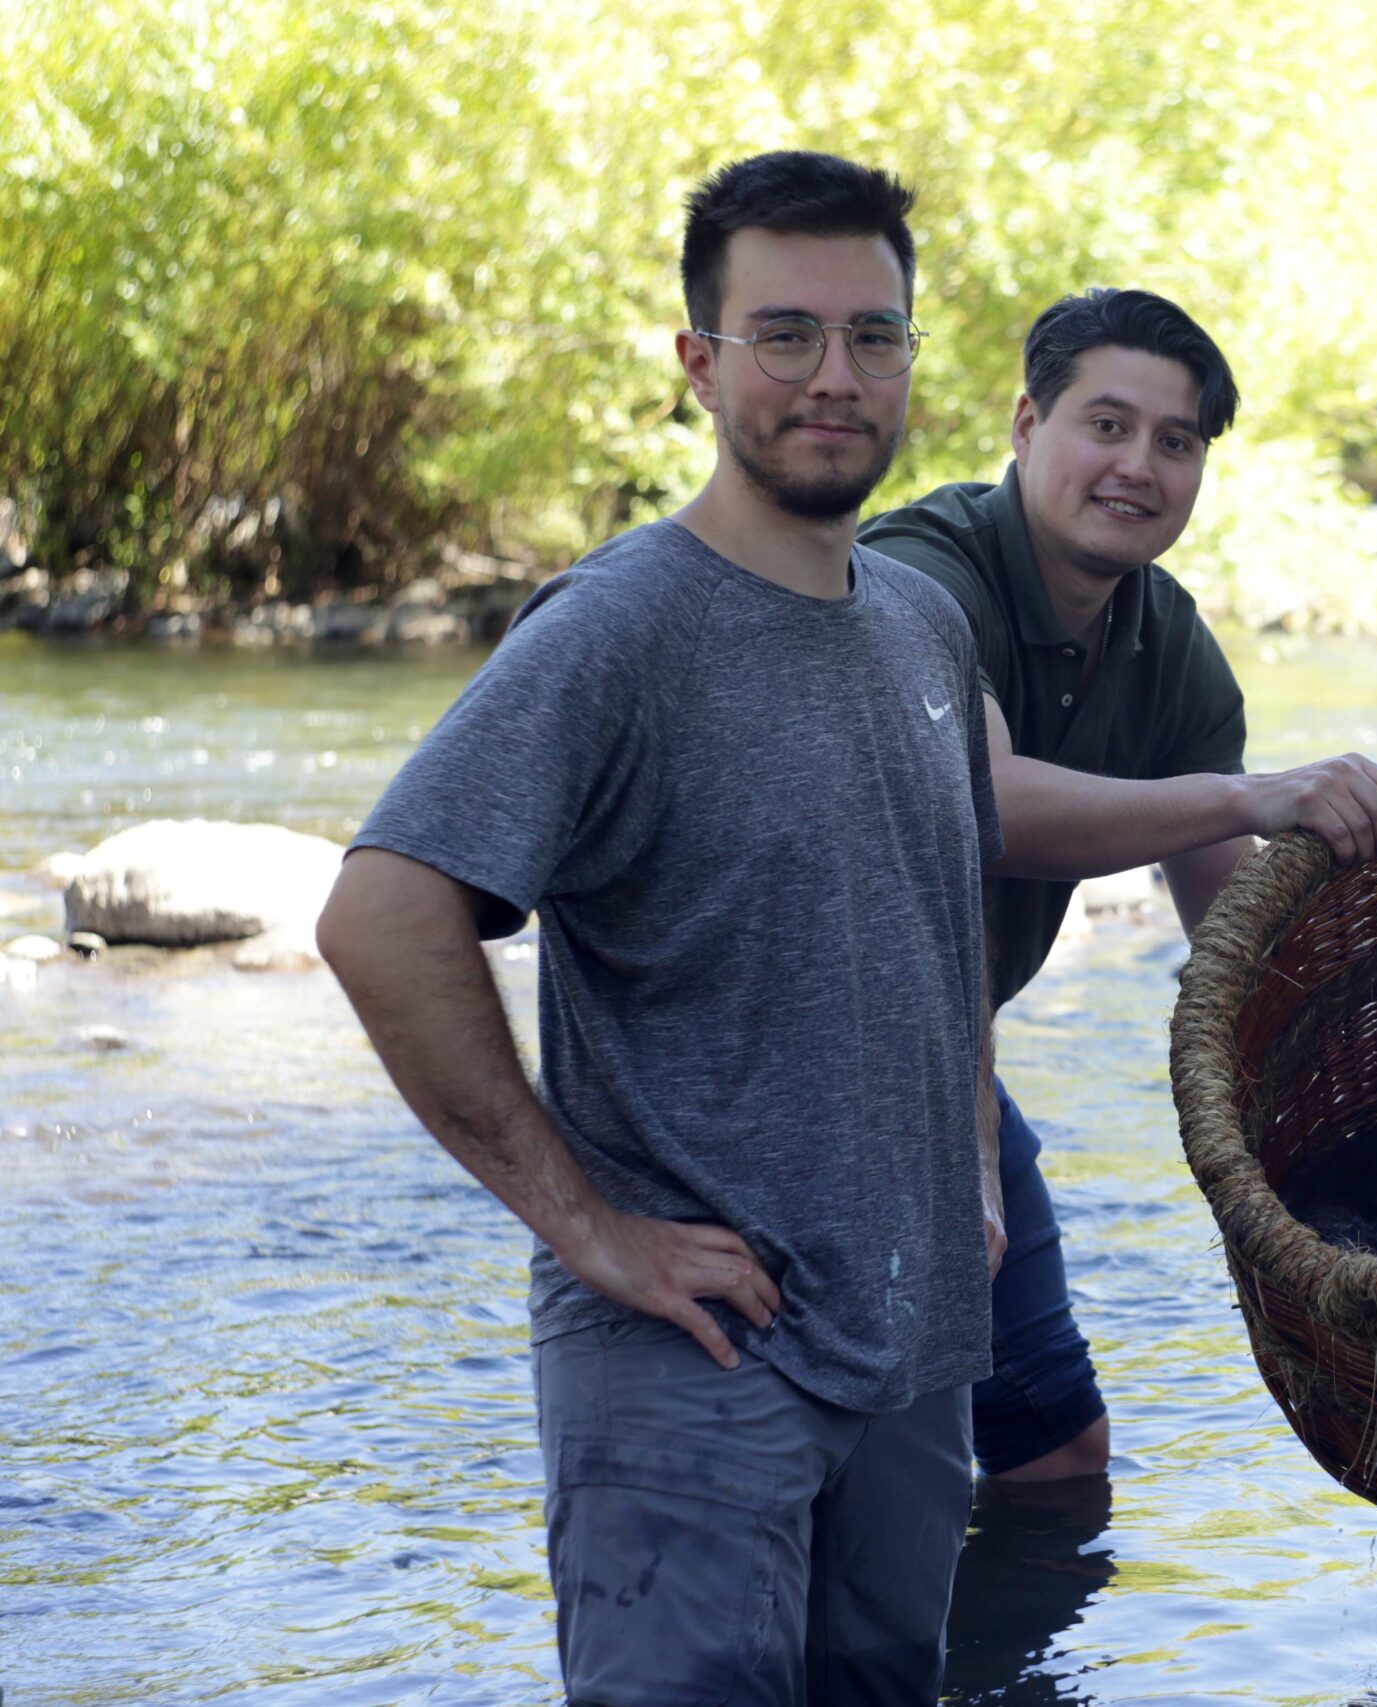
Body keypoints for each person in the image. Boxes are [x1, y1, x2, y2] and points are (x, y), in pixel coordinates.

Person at [316, 151, 1005, 1706]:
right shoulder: (619, 628)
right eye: (785, 334)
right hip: (695, 1366)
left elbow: (941, 913)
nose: (834, 377)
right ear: (700, 361)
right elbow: (380, 913)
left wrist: (966, 1155)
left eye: (873, 335)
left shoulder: (924, 622)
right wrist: (587, 1227)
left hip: (910, 1350)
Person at [859, 287, 1377, 1481]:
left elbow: (1239, 941)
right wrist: (1253, 794)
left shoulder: (1169, 643)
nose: (1138, 467)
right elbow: (977, 804)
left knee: (1056, 1460)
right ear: (1026, 425)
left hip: (949, 1058)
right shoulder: (914, 577)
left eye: (1175, 442)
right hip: (800, 1078)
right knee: (871, 1471)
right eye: (1106, 426)